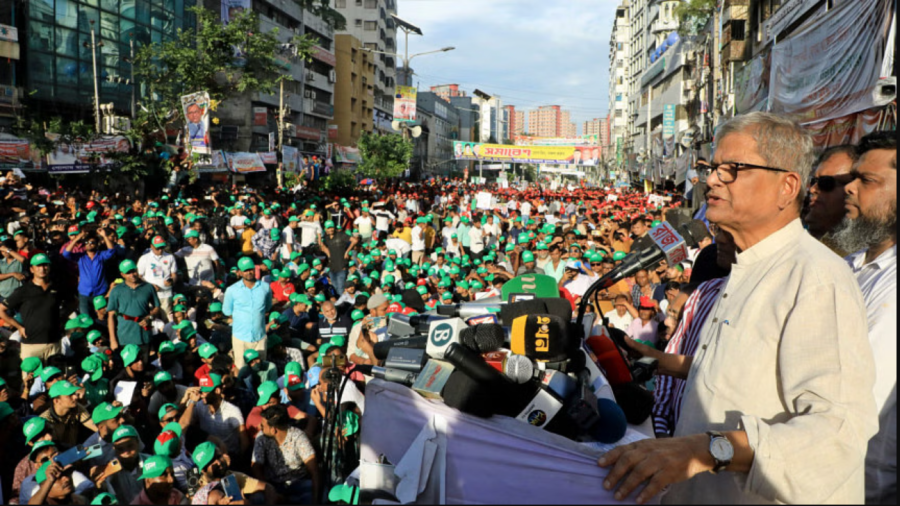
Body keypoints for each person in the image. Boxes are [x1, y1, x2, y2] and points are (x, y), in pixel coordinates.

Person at [599, 112, 877, 504]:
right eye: (714, 168)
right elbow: (744, 375)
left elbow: (836, 429)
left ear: (787, 187)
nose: (712, 179)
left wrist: (708, 451)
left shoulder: (815, 277)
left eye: (734, 169)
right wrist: (658, 360)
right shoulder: (743, 270)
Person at [829, 131, 896, 505]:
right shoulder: (848, 264)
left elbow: (857, 392)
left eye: (867, 180)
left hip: (868, 484)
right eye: (852, 178)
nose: (849, 189)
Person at [251, 404, 319, 504]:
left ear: (273, 430)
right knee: (257, 499)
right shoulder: (261, 438)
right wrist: (268, 490)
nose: (260, 427)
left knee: (314, 493)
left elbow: (314, 470)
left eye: (262, 426)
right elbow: (256, 467)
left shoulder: (298, 437)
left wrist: (316, 500)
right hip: (273, 484)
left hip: (298, 482)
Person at [223, 256, 272, 370]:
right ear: (239, 272)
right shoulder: (231, 290)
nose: (249, 272)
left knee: (261, 369)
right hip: (240, 338)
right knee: (242, 370)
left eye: (251, 269)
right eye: (245, 270)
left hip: (260, 337)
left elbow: (267, 307)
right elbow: (227, 311)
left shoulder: (265, 287)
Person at [107, 260, 161, 352]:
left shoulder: (148, 287)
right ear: (122, 275)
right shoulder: (116, 290)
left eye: (133, 271)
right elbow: (111, 315)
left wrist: (150, 317)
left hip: (144, 336)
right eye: (128, 273)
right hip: (125, 337)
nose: (132, 275)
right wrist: (113, 340)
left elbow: (157, 307)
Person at [137, 236, 178, 316]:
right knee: (152, 318)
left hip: (166, 294)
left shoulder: (170, 257)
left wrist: (172, 281)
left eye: (162, 247)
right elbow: (139, 276)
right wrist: (150, 286)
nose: (160, 250)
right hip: (150, 294)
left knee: (166, 318)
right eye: (158, 248)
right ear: (151, 246)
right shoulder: (144, 258)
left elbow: (174, 274)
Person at [319, 220, 353, 295]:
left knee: (340, 289)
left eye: (332, 227)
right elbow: (321, 246)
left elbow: (354, 240)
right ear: (325, 229)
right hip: (332, 268)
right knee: (334, 289)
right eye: (329, 228)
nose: (331, 229)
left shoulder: (341, 235)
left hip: (341, 267)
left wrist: (347, 251)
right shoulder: (326, 238)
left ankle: (341, 305)